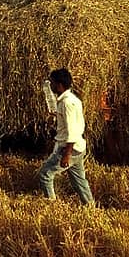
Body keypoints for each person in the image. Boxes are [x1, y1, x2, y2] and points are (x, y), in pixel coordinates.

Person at [38, 68, 94, 205]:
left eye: (52, 83)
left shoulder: (66, 103)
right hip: (79, 147)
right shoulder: (72, 99)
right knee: (79, 181)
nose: (50, 86)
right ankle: (91, 206)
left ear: (59, 85)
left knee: (45, 174)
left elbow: (72, 130)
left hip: (70, 148)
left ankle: (52, 207)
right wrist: (56, 117)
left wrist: (66, 155)